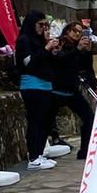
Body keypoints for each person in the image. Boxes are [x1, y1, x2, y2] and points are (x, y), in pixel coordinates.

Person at [14, 10, 61, 170]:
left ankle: (39, 153)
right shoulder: (24, 40)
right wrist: (46, 48)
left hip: (46, 84)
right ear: (32, 24)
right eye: (40, 25)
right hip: (32, 85)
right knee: (35, 121)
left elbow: (48, 62)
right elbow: (29, 63)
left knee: (45, 122)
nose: (43, 28)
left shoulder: (40, 41)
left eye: (45, 25)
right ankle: (33, 156)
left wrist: (52, 50)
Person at [47, 19, 95, 159]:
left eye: (80, 32)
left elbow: (84, 68)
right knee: (45, 121)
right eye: (75, 31)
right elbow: (61, 60)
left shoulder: (77, 46)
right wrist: (77, 49)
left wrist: (86, 51)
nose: (77, 34)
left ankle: (85, 151)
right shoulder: (60, 43)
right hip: (57, 89)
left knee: (89, 118)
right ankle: (38, 152)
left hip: (72, 90)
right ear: (67, 30)